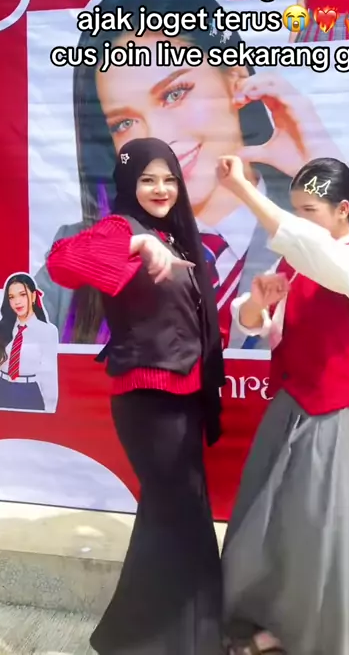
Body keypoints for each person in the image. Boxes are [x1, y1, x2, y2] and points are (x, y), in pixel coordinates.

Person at [34, 0, 349, 350]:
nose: (158, 139)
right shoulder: (85, 249)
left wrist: (332, 181)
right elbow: (10, 351)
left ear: (236, 77)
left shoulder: (321, 235)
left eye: (175, 93)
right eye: (124, 123)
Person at [46, 137, 225, 655]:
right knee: (180, 521)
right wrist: (136, 246)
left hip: (184, 395)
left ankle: (153, 637)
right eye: (148, 179)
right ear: (129, 183)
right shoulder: (121, 228)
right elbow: (62, 263)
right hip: (149, 399)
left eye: (169, 179)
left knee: (174, 518)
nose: (161, 189)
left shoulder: (178, 235)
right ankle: (173, 641)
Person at [215, 155, 349, 655]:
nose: (300, 220)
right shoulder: (294, 261)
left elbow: (324, 260)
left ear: (343, 210)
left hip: (335, 417)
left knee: (320, 538)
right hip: (289, 409)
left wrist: (245, 192)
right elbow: (257, 324)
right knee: (267, 528)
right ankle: (270, 627)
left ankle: (317, 640)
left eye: (309, 210)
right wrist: (256, 303)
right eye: (296, 210)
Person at [0, 273, 58, 413]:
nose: (17, 301)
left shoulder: (48, 331)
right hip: (1, 389)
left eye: (22, 295)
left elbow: (49, 373)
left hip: (29, 392)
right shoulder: (1, 328)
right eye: (11, 297)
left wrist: (51, 408)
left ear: (33, 296)